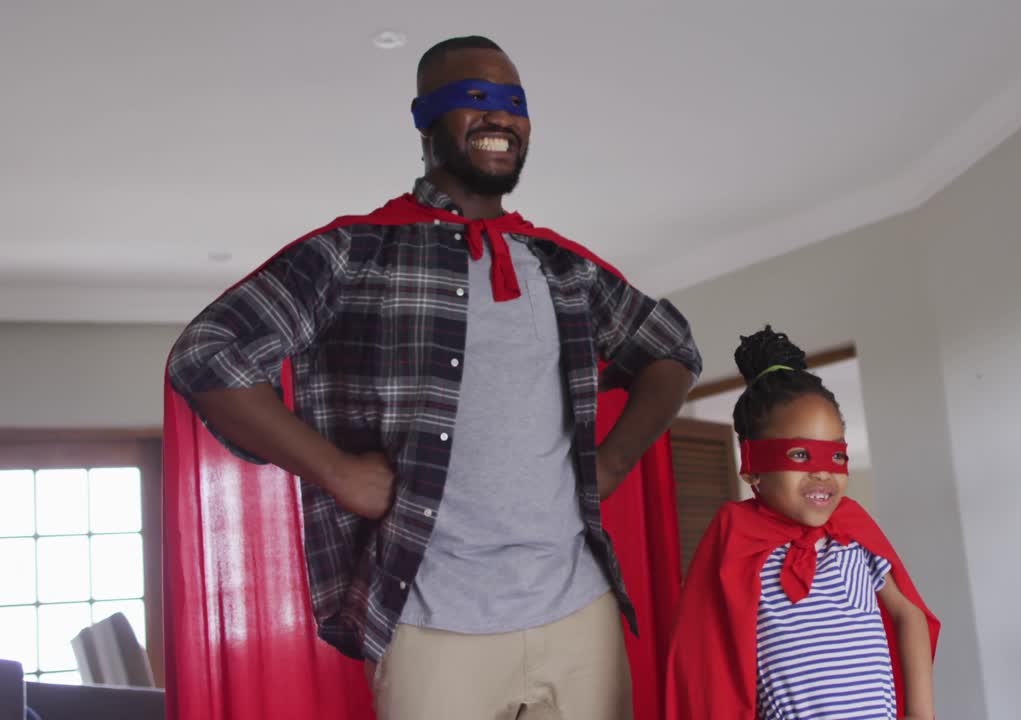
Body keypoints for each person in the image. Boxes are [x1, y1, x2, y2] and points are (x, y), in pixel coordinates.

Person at [166, 35, 701, 720]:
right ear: (425, 117)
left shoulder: (562, 267)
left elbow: (672, 348)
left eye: (513, 102)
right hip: (432, 622)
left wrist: (615, 459)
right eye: (473, 99)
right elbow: (208, 351)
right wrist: (335, 470)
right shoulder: (353, 253)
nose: (498, 117)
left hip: (579, 613)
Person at [664, 326, 938, 719]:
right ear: (753, 467)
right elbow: (707, 656)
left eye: (836, 457)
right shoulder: (735, 537)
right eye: (799, 455)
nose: (823, 474)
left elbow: (908, 613)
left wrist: (921, 715)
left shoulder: (853, 532)